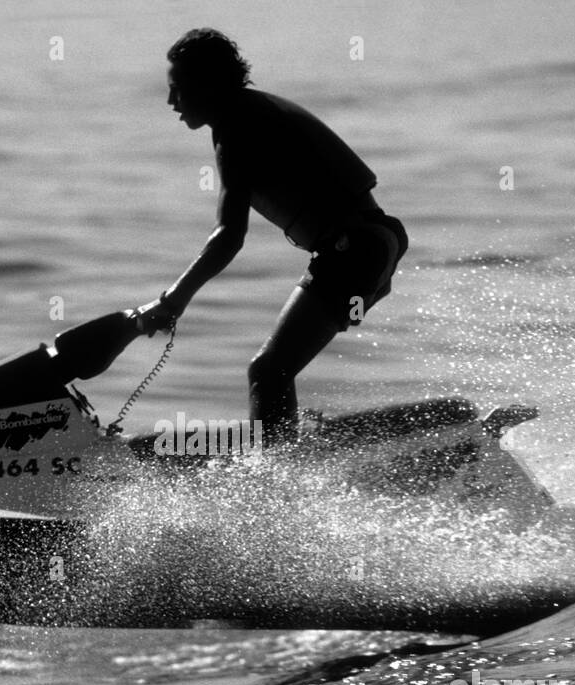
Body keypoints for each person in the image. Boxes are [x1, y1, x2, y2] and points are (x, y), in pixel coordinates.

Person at [136, 28, 409, 445]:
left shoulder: (238, 126)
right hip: (374, 244)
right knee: (278, 369)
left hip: (354, 250)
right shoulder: (248, 111)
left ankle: (274, 488)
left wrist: (173, 301)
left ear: (208, 83)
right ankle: (292, 449)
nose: (171, 102)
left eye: (178, 89)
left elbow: (229, 236)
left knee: (269, 370)